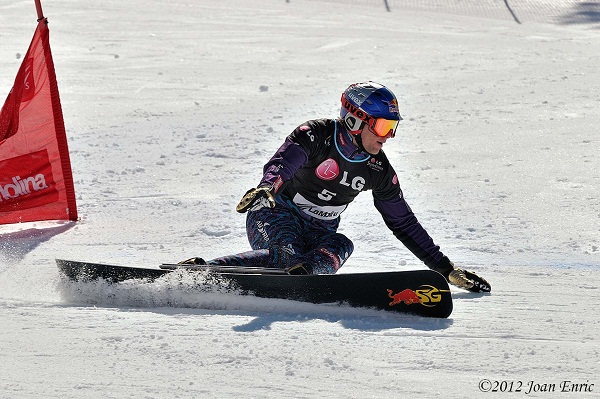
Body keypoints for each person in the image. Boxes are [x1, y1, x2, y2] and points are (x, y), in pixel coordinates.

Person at [183, 81, 490, 293]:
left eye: (393, 128)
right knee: (286, 252)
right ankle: (202, 271)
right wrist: (267, 187)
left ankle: (305, 278)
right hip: (275, 214)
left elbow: (403, 222)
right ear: (356, 120)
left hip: (319, 232)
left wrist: (445, 269)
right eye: (383, 126)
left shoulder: (378, 169)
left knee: (342, 245)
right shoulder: (316, 135)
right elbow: (283, 162)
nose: (388, 137)